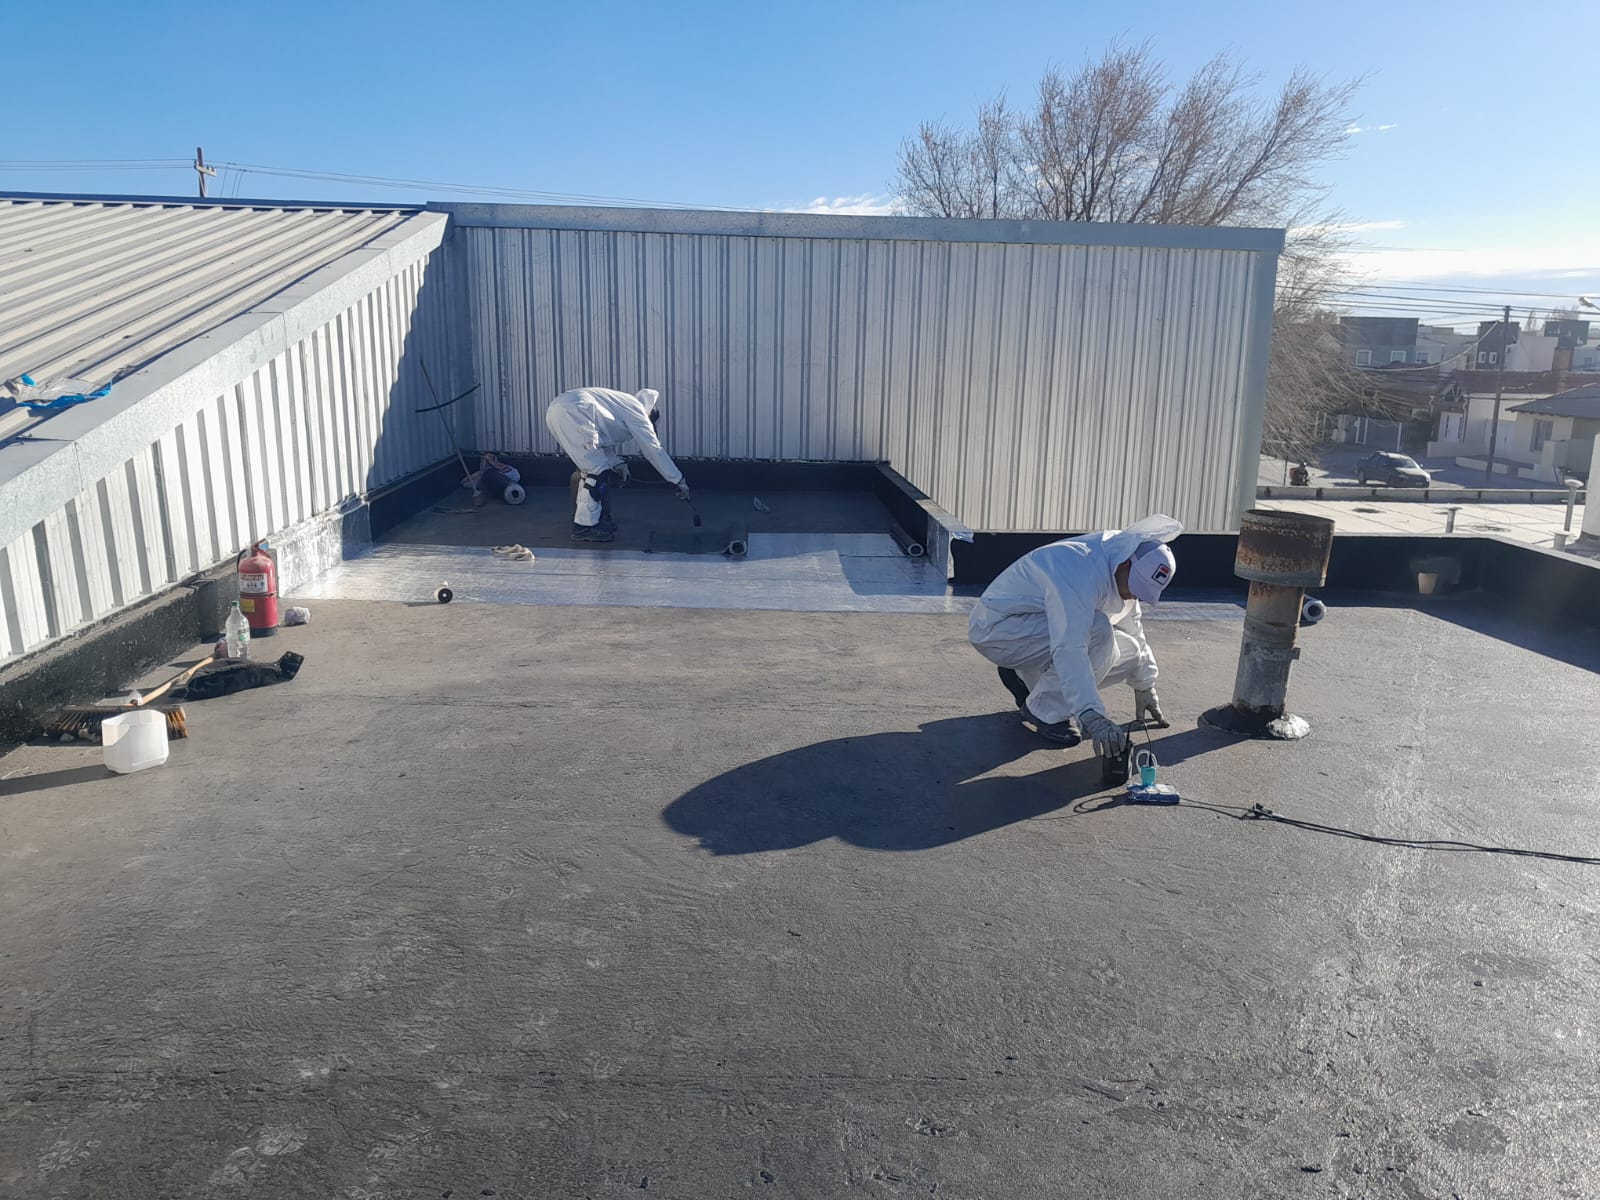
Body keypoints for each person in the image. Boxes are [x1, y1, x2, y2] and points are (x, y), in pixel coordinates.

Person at [967, 515, 1181, 758]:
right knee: (1098, 630)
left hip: (1035, 628)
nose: (1135, 596)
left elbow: (1133, 627)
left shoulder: (1121, 558)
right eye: (1135, 586)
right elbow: (1070, 647)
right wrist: (1091, 715)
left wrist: (1145, 685)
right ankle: (1044, 711)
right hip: (999, 630)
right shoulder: (1080, 570)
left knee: (1130, 651)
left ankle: (1024, 678)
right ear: (1126, 564)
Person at [543, 387, 690, 542]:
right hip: (576, 412)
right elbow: (653, 449)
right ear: (649, 417)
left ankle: (590, 520)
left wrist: (618, 464)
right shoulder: (638, 412)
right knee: (596, 472)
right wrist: (678, 480)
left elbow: (600, 442)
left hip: (558, 410)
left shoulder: (621, 404)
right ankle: (584, 527)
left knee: (594, 468)